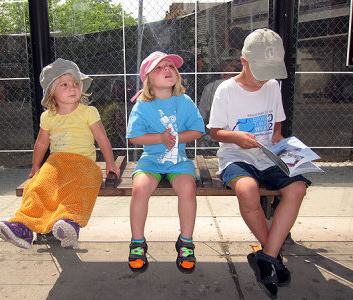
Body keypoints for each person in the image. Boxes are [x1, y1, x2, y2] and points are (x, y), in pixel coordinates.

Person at [207, 29, 311, 298]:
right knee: (247, 190)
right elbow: (216, 132)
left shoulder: (273, 86)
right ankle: (272, 256)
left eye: (271, 72)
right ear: (244, 62)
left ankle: (266, 257)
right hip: (235, 155)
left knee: (298, 188)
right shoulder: (226, 90)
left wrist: (285, 146)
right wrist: (237, 138)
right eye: (260, 72)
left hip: (268, 155)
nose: (265, 79)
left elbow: (276, 129)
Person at [0, 58, 120, 249]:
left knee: (80, 186)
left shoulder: (89, 112)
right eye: (64, 84)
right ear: (52, 92)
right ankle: (23, 226)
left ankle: (69, 222)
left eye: (75, 84)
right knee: (37, 188)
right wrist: (36, 166)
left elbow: (102, 139)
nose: (72, 88)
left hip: (83, 163)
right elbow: (41, 143)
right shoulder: (48, 117)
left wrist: (110, 163)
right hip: (56, 163)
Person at [126, 51, 205, 273]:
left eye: (170, 66)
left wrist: (176, 138)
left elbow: (198, 129)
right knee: (140, 189)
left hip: (178, 160)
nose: (167, 69)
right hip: (151, 160)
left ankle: (186, 242)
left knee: (188, 188)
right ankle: (137, 242)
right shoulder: (142, 105)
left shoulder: (184, 101)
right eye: (159, 68)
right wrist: (160, 139)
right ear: (148, 79)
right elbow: (134, 137)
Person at [198, 56, 240, 148]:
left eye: (232, 64)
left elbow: (201, 114)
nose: (229, 66)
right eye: (228, 64)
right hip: (214, 139)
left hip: (237, 138)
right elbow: (202, 115)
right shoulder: (210, 87)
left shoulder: (211, 87)